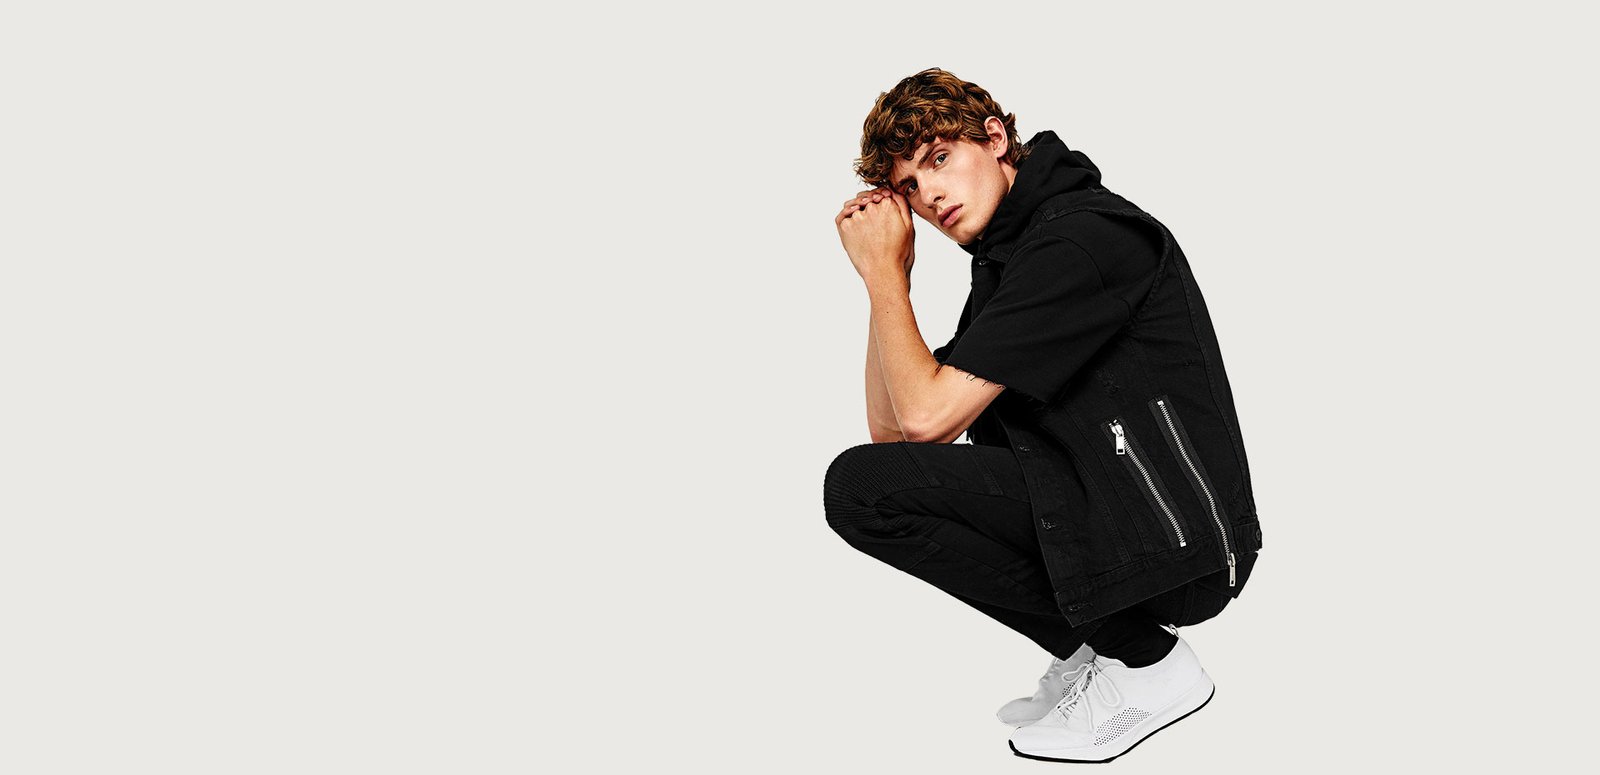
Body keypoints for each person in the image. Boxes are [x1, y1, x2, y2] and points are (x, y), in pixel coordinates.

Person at [823, 67, 1265, 763]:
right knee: (877, 481)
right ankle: (1102, 654)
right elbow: (897, 432)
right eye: (907, 185)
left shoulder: (1079, 241)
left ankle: (1145, 662)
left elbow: (929, 418)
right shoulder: (1014, 255)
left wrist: (882, 278)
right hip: (1114, 515)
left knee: (860, 489)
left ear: (995, 138)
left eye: (939, 158)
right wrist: (892, 279)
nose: (928, 195)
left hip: (1178, 547)